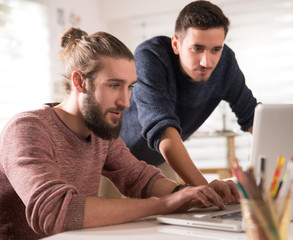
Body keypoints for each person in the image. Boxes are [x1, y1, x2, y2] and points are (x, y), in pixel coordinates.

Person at [0, 27, 239, 239]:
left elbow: (140, 179)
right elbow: (55, 211)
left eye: (130, 87)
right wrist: (163, 205)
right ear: (80, 82)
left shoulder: (101, 133)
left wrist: (195, 193)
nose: (126, 101)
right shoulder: (27, 129)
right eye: (114, 85)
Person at [120, 0, 258, 186]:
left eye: (216, 49)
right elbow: (162, 130)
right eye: (197, 49)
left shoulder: (225, 63)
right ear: (176, 44)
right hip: (113, 159)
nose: (206, 62)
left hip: (157, 159)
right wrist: (205, 188)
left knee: (180, 210)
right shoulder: (151, 56)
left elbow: (254, 118)